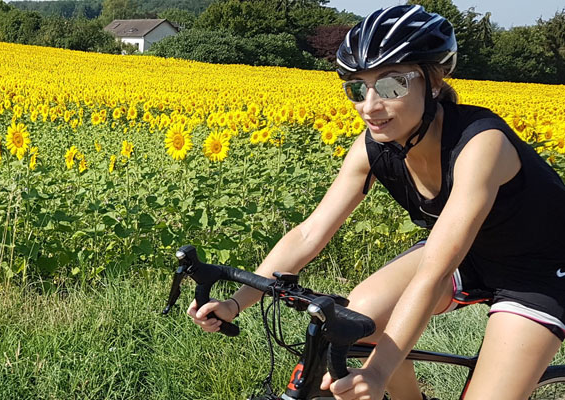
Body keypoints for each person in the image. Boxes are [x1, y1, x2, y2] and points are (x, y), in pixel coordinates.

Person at [186, 4, 565, 400]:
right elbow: (309, 233)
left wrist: (380, 371)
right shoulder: (375, 146)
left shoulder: (480, 144)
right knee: (359, 318)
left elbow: (432, 274)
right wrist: (235, 303)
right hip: (467, 254)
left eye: (392, 85)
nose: (370, 106)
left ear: (433, 83)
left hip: (539, 274)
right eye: (357, 88)